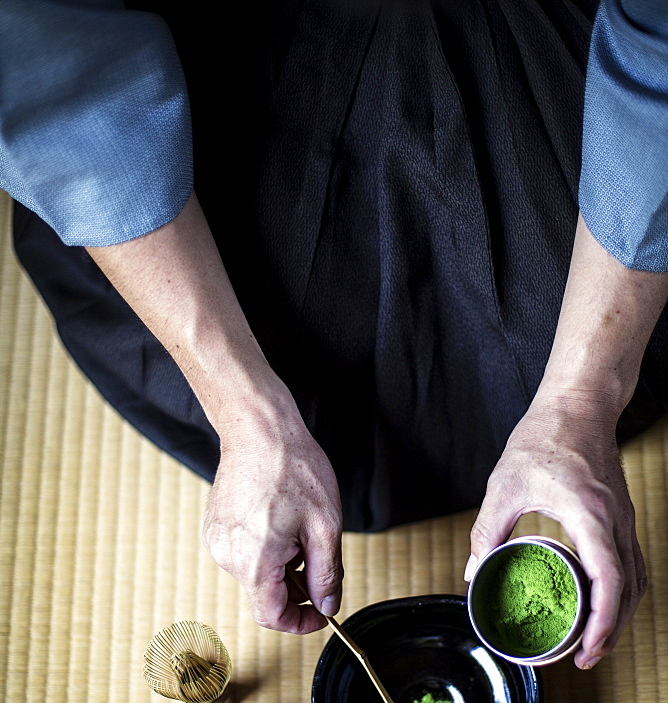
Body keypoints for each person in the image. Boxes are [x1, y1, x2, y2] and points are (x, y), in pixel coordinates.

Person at [2, 0, 667, 668]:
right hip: (232, 59)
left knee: (566, 304)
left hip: (550, 53)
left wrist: (580, 401)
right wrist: (246, 416)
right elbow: (69, 101)